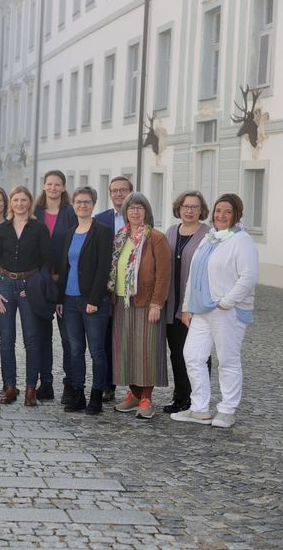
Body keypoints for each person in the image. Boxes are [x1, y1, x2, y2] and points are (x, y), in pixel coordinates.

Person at [172, 194, 258, 429]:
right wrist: (187, 306)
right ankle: (199, 408)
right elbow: (193, 274)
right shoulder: (210, 238)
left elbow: (248, 277)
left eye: (227, 211)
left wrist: (226, 302)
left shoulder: (242, 241)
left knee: (228, 360)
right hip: (201, 310)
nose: (221, 215)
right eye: (218, 210)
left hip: (227, 311)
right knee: (192, 355)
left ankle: (227, 410)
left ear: (236, 214)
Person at [109, 192, 171, 420]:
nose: (135, 212)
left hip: (146, 302)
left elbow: (164, 275)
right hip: (122, 301)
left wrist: (157, 303)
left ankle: (146, 398)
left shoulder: (156, 238)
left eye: (139, 208)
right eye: (131, 208)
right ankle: (134, 394)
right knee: (127, 349)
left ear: (147, 212)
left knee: (147, 351)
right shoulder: (121, 236)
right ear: (125, 212)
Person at [0, 186, 52, 407]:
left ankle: (30, 390)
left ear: (30, 202)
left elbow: (46, 263)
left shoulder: (39, 229)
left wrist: (34, 287)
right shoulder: (3, 230)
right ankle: (9, 387)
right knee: (6, 339)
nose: (19, 203)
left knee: (32, 340)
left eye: (23, 199)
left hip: (29, 286)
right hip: (4, 286)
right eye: (15, 199)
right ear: (10, 203)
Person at [56, 187, 113, 415]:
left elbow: (103, 268)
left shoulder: (103, 231)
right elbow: (65, 266)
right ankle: (77, 394)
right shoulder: (71, 232)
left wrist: (94, 298)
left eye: (87, 202)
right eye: (79, 202)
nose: (82, 205)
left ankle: (97, 395)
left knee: (97, 351)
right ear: (73, 204)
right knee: (75, 350)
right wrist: (60, 298)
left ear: (93, 204)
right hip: (69, 300)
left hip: (92, 301)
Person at [162, 191, 211, 414]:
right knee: (177, 353)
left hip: (195, 305)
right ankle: (180, 397)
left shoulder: (208, 234)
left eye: (194, 206)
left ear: (202, 210)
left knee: (198, 354)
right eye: (186, 206)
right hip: (172, 304)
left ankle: (198, 399)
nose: (189, 210)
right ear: (178, 208)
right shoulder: (171, 231)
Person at [34, 170, 77, 403]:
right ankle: (46, 383)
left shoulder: (70, 213)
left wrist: (61, 275)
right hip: (40, 282)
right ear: (43, 186)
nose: (52, 188)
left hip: (64, 281)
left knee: (68, 337)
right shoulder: (35, 213)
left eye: (57, 184)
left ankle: (70, 384)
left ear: (63, 187)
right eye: (49, 184)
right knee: (42, 336)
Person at [95, 176, 133, 402]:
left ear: (131, 191)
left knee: (130, 338)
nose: (119, 194)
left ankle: (134, 387)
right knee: (106, 337)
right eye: (114, 191)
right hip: (107, 288)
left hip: (131, 288)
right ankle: (107, 384)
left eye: (123, 190)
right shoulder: (101, 219)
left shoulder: (141, 218)